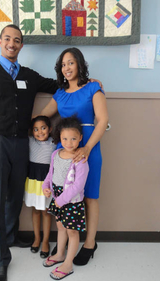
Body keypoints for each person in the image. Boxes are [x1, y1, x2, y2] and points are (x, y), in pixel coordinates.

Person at [0, 24, 58, 281]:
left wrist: (87, 81)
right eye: (7, 39)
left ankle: (9, 235)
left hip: (23, 144)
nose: (12, 43)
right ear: (0, 42)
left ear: (21, 46)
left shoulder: (29, 75)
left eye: (17, 40)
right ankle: (0, 260)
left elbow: (59, 85)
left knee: (15, 194)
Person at [40, 47, 109, 266]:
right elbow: (42, 116)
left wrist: (87, 148)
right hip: (63, 150)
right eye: (63, 64)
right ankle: (64, 243)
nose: (67, 68)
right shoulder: (59, 93)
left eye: (70, 62)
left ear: (79, 64)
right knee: (63, 191)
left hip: (89, 146)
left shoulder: (93, 88)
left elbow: (103, 120)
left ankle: (89, 243)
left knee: (89, 195)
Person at [42, 116, 89, 280]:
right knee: (61, 227)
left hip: (71, 201)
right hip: (56, 197)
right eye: (65, 138)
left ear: (80, 138)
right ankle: (60, 254)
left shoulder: (80, 159)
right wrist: (45, 187)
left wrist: (61, 201)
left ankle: (69, 263)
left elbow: (78, 186)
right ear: (59, 138)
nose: (69, 143)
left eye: (74, 138)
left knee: (72, 232)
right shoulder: (56, 153)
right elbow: (51, 173)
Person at [24, 116, 56, 258]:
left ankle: (45, 241)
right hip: (32, 182)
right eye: (36, 129)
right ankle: (37, 238)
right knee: (36, 211)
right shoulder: (30, 141)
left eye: (43, 128)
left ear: (49, 129)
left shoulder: (54, 143)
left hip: (46, 183)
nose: (40, 132)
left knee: (45, 212)